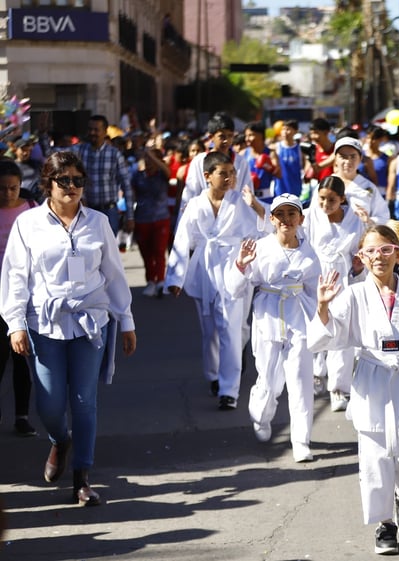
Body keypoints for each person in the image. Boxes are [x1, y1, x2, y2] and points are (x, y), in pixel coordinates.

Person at [0, 151, 137, 506]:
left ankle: (82, 477)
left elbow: (115, 274)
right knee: (48, 404)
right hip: (44, 322)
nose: (72, 187)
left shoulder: (98, 222)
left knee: (84, 401)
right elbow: (15, 276)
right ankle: (60, 440)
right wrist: (15, 323)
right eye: (65, 181)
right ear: (48, 183)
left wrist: (127, 321)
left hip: (91, 321)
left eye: (78, 180)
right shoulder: (27, 224)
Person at [309, 225, 399, 555]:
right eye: (371, 251)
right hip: (372, 379)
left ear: (398, 254)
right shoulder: (353, 295)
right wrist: (322, 307)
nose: (379, 257)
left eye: (386, 250)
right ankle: (384, 524)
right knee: (375, 456)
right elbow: (327, 336)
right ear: (361, 258)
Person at [165, 151, 267, 410]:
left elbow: (262, 228)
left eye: (232, 173)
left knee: (231, 329)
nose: (230, 178)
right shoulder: (196, 205)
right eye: (224, 173)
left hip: (235, 266)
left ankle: (228, 390)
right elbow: (182, 240)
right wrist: (175, 277)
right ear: (207, 176)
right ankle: (213, 375)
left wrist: (254, 204)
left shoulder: (240, 201)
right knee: (210, 329)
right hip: (204, 269)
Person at [225, 194, 320, 461]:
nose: (286, 220)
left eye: (292, 214)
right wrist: (241, 265)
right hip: (268, 320)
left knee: (301, 381)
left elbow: (315, 290)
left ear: (301, 219)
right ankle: (261, 416)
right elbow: (234, 289)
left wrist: (322, 319)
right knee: (268, 380)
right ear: (272, 219)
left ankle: (301, 440)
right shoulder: (260, 247)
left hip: (298, 320)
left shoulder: (309, 251)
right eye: (280, 215)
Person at [303, 175, 366, 412]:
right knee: (317, 327)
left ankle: (339, 387)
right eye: (321, 199)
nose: (325, 205)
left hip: (341, 280)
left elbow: (357, 255)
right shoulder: (310, 216)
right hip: (315, 279)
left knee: (342, 332)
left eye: (331, 200)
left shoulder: (354, 221)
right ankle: (317, 373)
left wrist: (358, 269)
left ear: (342, 199)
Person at [0, 160, 37, 436]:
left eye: (13, 188)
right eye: (2, 189)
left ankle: (22, 416)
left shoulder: (31, 209)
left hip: (23, 292)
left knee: (21, 356)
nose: (8, 193)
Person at [69, 115, 134, 236]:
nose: (92, 133)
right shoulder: (79, 151)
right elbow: (51, 154)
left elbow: (127, 186)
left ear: (105, 132)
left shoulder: (115, 154)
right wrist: (43, 133)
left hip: (109, 212)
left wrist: (130, 216)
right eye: (90, 129)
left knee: (108, 252)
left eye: (96, 130)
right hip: (86, 211)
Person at [180, 112, 251, 211]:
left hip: (234, 216)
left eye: (230, 136)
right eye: (222, 137)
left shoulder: (241, 162)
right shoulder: (199, 161)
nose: (226, 141)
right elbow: (191, 192)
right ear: (211, 137)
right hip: (205, 215)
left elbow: (248, 193)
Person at [131, 148, 171, 297]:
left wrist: (154, 158)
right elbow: (131, 193)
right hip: (142, 218)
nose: (148, 163)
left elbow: (167, 172)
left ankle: (160, 281)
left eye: (151, 160)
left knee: (159, 251)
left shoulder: (162, 175)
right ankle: (151, 281)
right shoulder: (137, 175)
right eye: (146, 160)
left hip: (161, 218)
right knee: (146, 253)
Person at [333, 137, 390, 226]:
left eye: (353, 157)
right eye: (343, 157)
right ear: (335, 158)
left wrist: (369, 221)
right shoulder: (326, 185)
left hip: (360, 239)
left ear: (360, 158)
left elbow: (383, 216)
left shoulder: (368, 187)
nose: (348, 161)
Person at [244, 121, 281, 204]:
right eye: (246, 136)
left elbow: (279, 174)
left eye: (250, 135)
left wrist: (267, 165)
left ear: (260, 136)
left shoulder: (271, 153)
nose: (247, 139)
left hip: (266, 198)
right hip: (247, 197)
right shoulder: (243, 153)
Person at [276, 120, 305, 200]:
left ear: (295, 131)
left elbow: (306, 166)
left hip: (295, 190)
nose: (285, 132)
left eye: (288, 129)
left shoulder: (300, 149)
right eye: (283, 129)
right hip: (279, 190)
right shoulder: (276, 147)